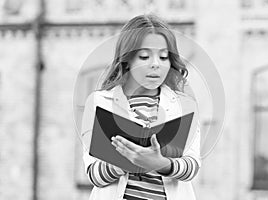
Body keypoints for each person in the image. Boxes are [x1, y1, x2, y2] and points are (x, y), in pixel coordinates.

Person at [81, 14, 201, 200]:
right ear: (127, 59)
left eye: (163, 57)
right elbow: (93, 174)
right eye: (144, 56)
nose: (155, 64)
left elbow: (192, 166)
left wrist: (160, 163)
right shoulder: (99, 102)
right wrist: (128, 161)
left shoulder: (184, 105)